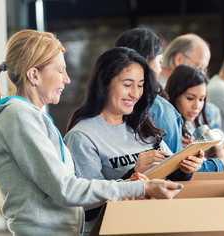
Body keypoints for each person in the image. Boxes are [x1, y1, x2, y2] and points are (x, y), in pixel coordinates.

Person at [0, 29, 184, 236]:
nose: (67, 79)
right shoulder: (18, 116)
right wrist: (140, 188)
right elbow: (66, 189)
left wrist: (128, 183)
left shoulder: (31, 116)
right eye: (60, 71)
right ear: (34, 75)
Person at [65, 47, 203, 235]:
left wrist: (185, 168)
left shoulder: (142, 125)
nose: (135, 94)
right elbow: (88, 208)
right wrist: (133, 174)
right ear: (104, 83)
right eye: (128, 84)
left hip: (156, 225)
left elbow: (168, 177)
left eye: (140, 85)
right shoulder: (82, 137)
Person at [115, 27, 183, 153]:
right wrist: (218, 162)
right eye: (159, 61)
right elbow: (177, 164)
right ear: (146, 61)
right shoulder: (161, 110)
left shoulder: (106, 106)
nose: (160, 69)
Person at [165, 65, 224, 171]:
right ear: (175, 95)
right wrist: (220, 162)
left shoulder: (193, 125)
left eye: (201, 99)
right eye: (190, 98)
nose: (197, 106)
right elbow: (180, 168)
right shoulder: (167, 126)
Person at [160, 33, 222, 128]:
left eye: (204, 69)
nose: (202, 74)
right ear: (179, 60)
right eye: (199, 67)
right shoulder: (156, 89)